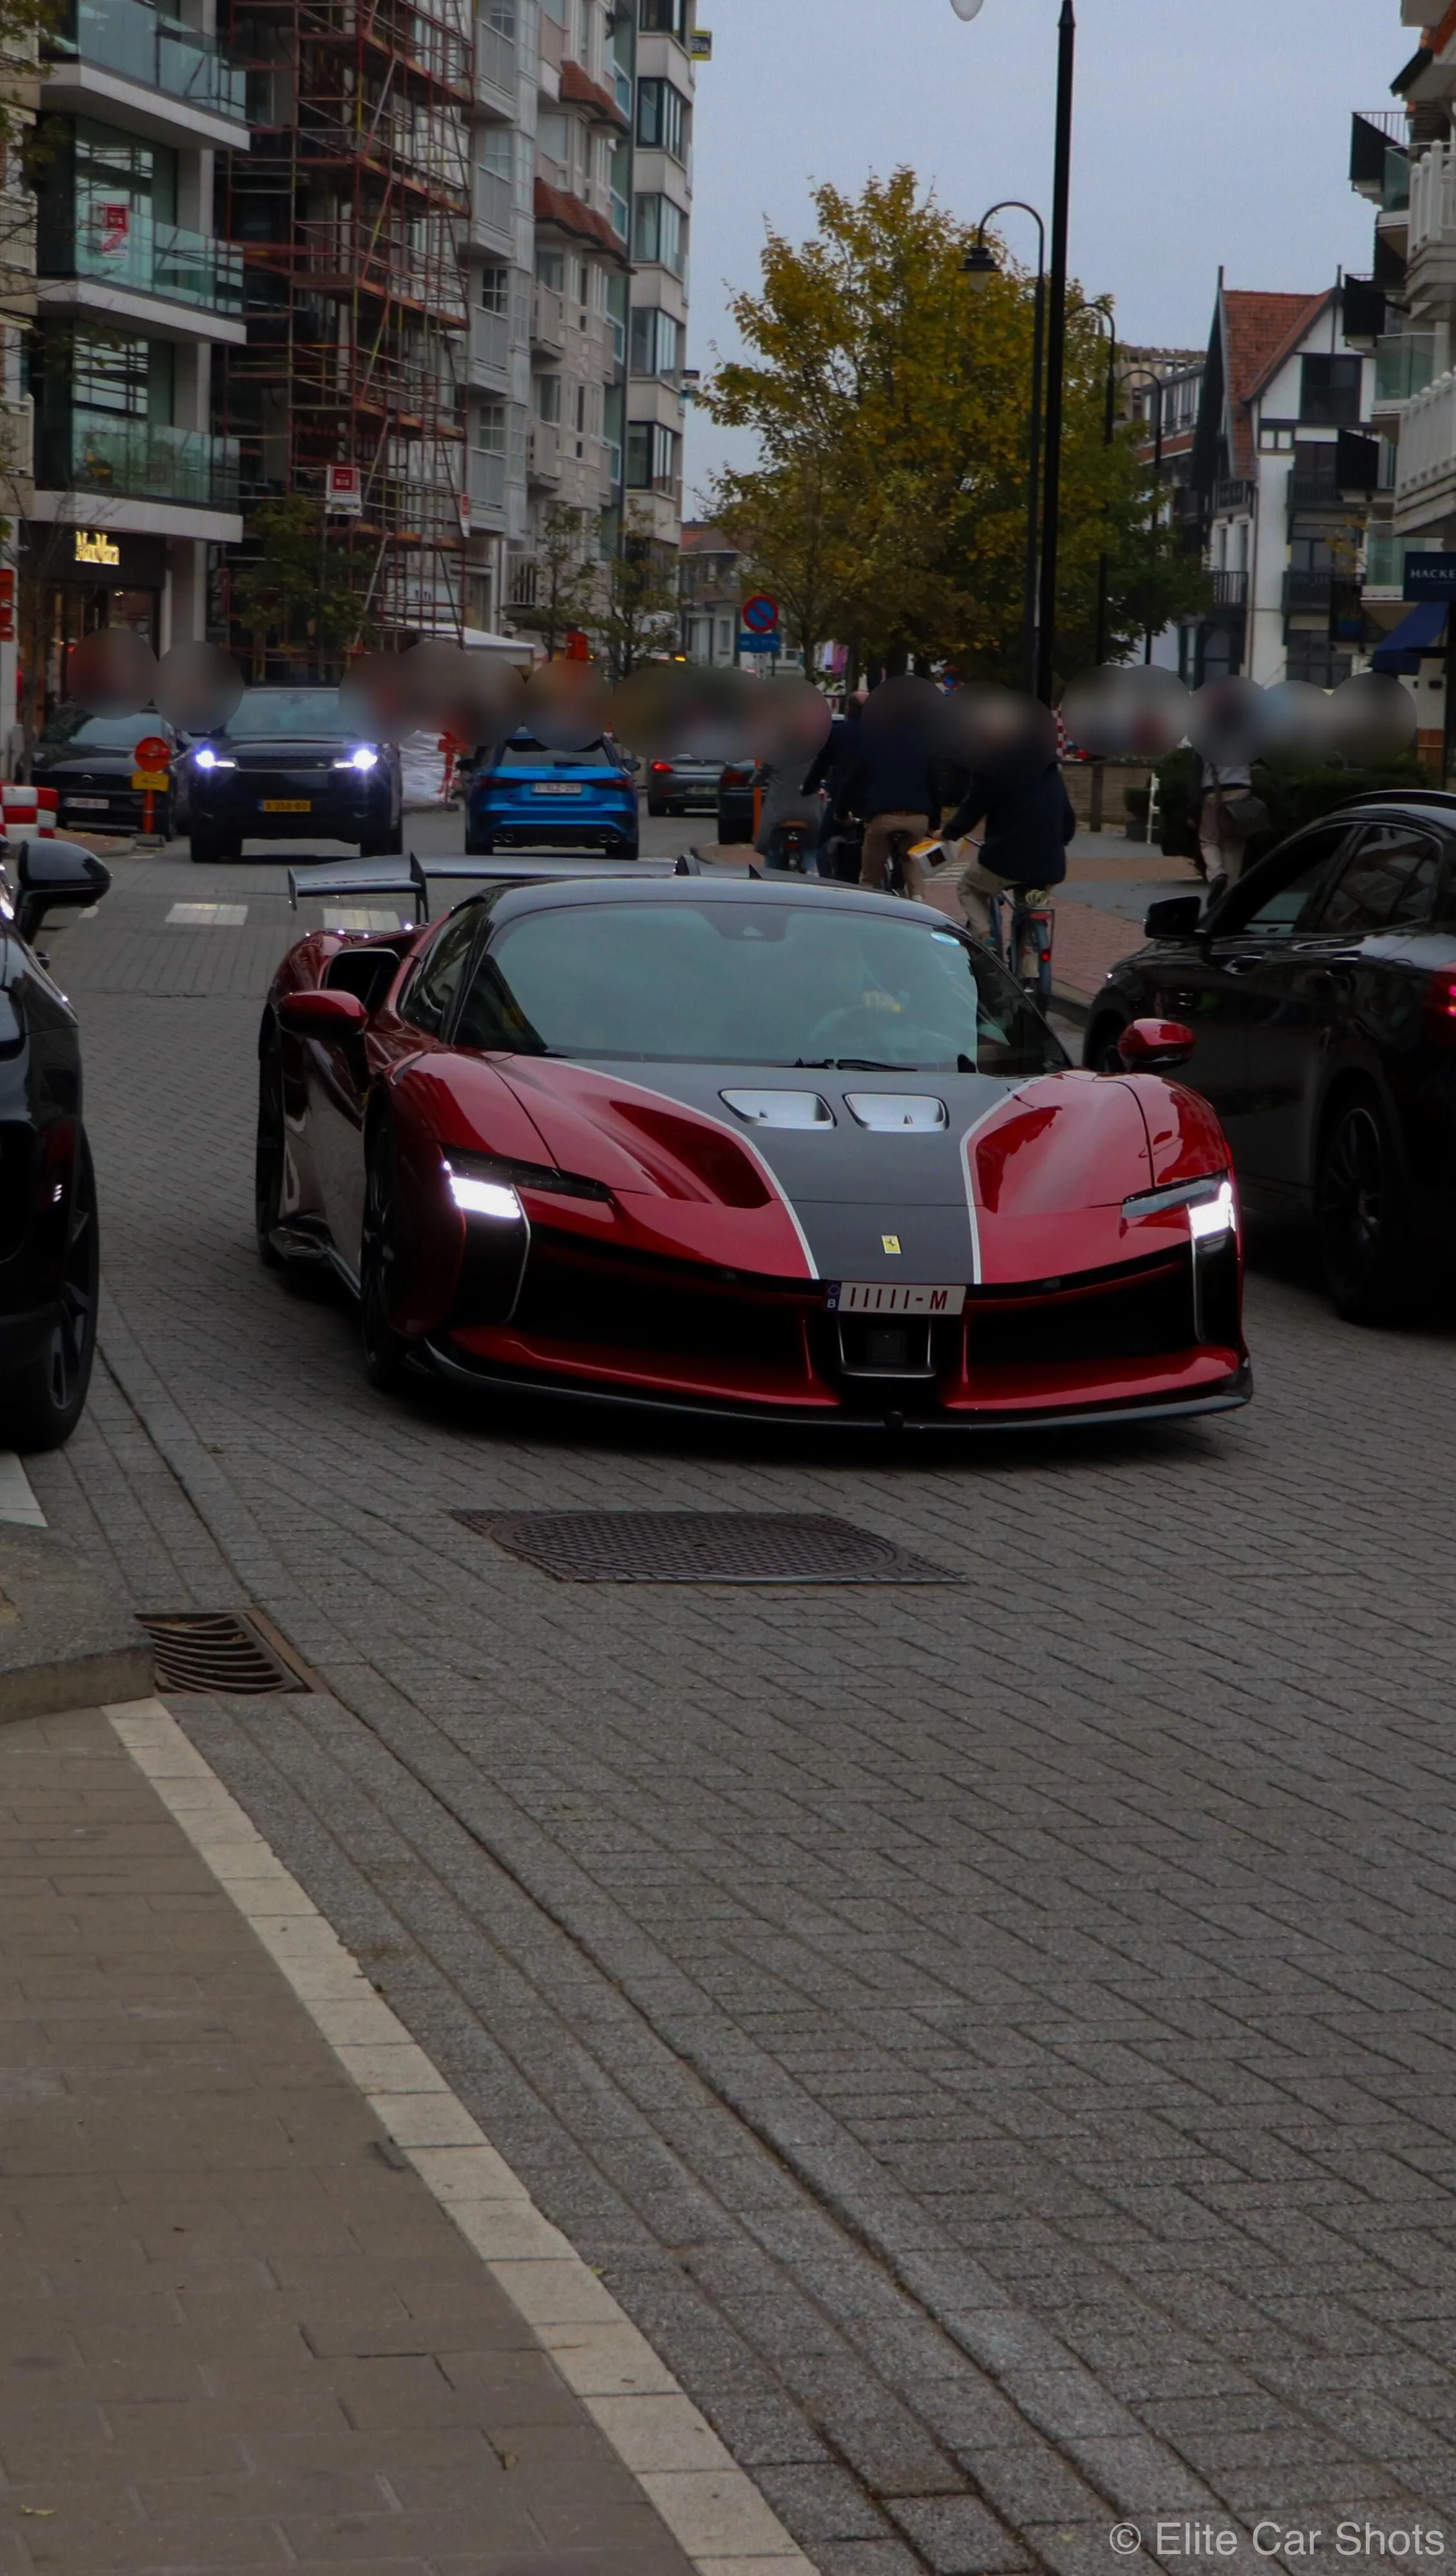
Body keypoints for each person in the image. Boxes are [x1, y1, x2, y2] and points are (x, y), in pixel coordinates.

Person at [940, 733, 1075, 944]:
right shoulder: (1051, 771)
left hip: (1004, 862)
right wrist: (1056, 844)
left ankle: (985, 937)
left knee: (969, 888)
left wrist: (948, 834)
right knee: (1031, 905)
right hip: (1050, 865)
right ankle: (1030, 958)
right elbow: (1068, 821)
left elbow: (972, 811)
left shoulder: (995, 769)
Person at [827, 692, 943, 899]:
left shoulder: (873, 745)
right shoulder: (924, 746)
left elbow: (852, 782)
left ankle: (868, 902)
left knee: (869, 876)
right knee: (911, 860)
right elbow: (934, 788)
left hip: (883, 817)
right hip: (918, 818)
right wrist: (934, 824)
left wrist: (842, 812)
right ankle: (919, 899)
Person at [1195, 753, 1258, 894]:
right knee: (1234, 842)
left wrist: (1193, 807)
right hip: (1242, 789)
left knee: (1208, 840)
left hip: (1213, 790)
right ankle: (1229, 891)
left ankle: (1216, 875)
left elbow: (1197, 771)